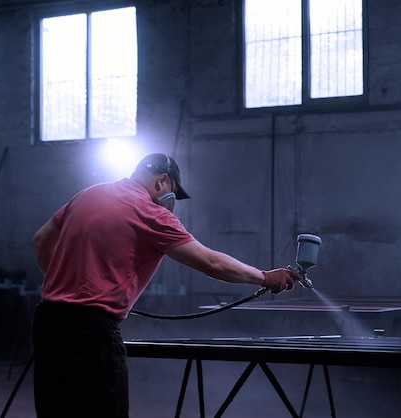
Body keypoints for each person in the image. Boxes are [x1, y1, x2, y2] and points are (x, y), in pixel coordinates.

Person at [30, 153, 301, 418]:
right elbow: (211, 263)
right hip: (91, 333)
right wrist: (265, 277)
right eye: (173, 191)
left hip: (48, 322)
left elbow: (40, 241)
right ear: (162, 181)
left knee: (57, 409)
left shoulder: (87, 195)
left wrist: (68, 286)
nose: (172, 202)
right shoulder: (151, 214)